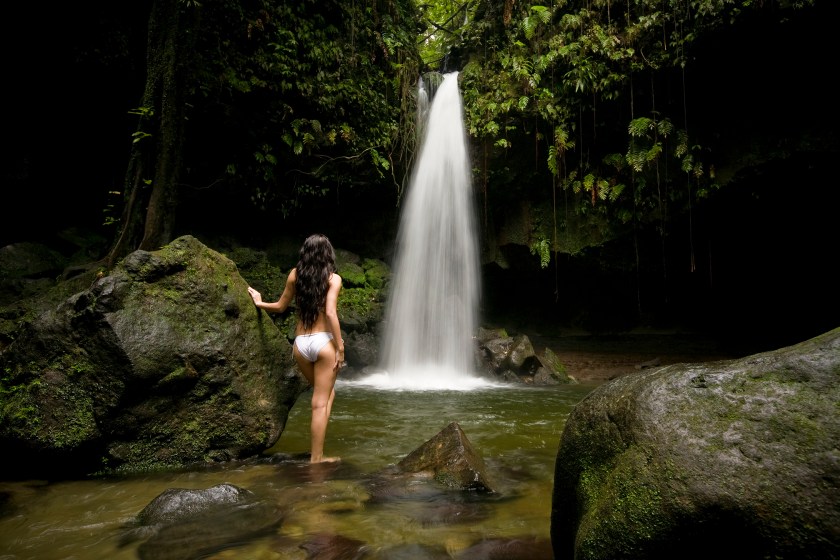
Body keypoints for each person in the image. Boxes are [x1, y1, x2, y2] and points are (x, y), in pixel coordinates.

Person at [247, 233, 345, 463]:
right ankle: (317, 459)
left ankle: (317, 454)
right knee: (320, 403)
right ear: (328, 254)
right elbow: (330, 313)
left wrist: (259, 302)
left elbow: (280, 307)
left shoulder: (295, 275)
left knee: (328, 394)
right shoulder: (334, 279)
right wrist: (339, 346)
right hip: (324, 344)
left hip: (300, 344)